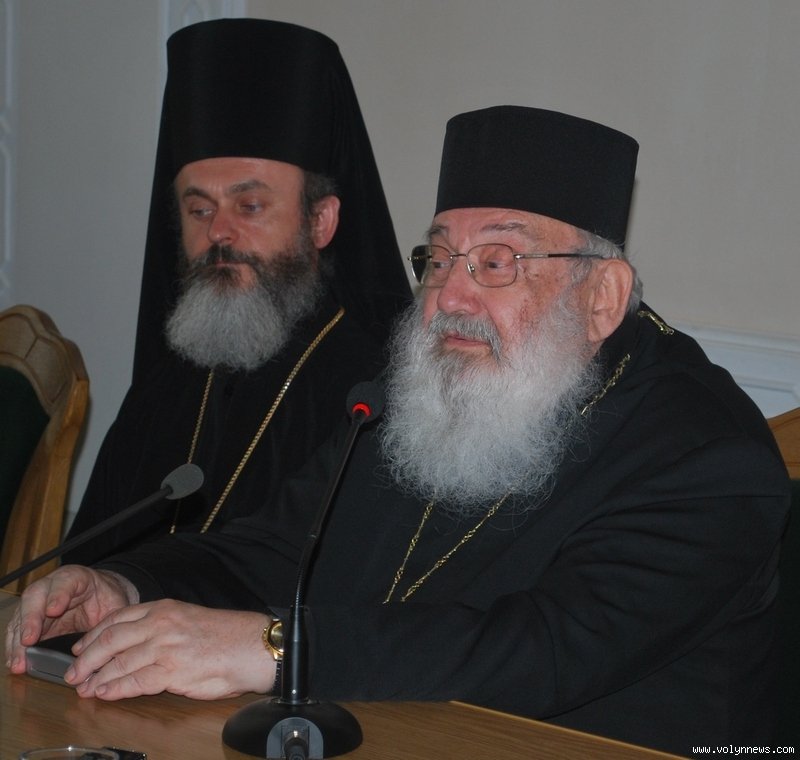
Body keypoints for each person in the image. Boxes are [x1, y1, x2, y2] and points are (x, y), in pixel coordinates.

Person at [6, 106, 789, 756]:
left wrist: (276, 648)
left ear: (602, 297)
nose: (451, 296)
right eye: (440, 258)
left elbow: (546, 647)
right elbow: (277, 547)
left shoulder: (705, 453)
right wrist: (124, 584)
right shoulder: (425, 394)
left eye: (498, 262)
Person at [63, 18, 410, 564]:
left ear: (320, 221)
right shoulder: (163, 386)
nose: (219, 233)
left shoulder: (370, 398)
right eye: (199, 209)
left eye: (249, 206)